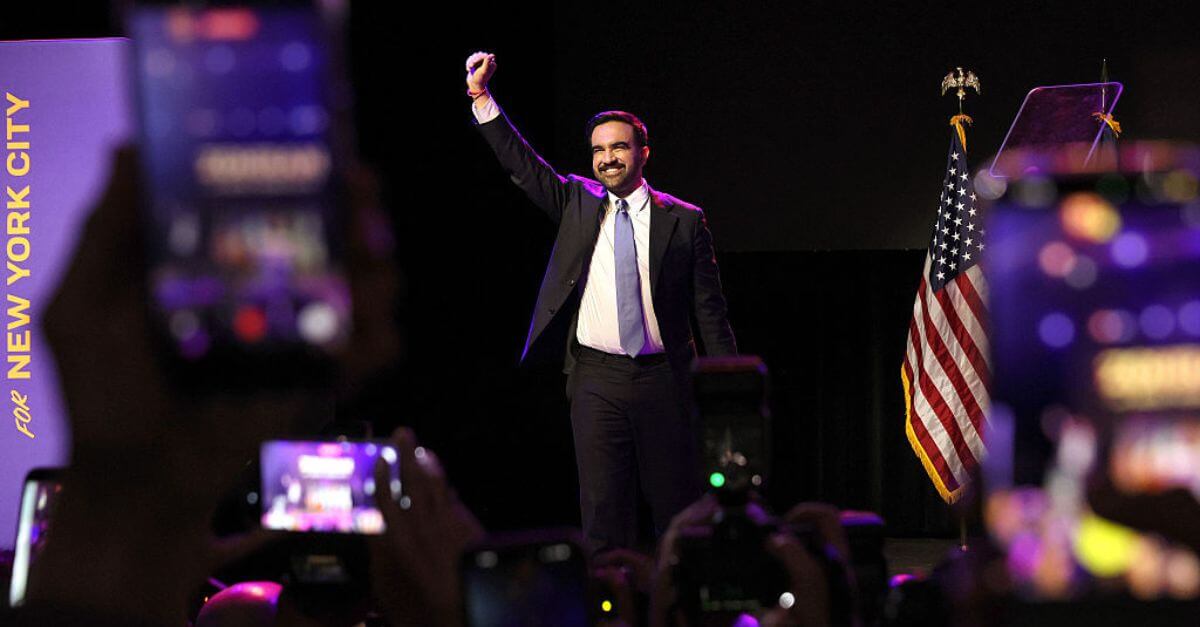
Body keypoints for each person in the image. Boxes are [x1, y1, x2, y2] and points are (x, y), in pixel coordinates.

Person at [465, 52, 738, 554]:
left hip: (664, 380)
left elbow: (710, 313)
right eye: (598, 150)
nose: (607, 158)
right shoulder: (578, 201)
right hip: (595, 379)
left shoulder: (684, 220)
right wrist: (482, 97)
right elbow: (523, 167)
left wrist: (729, 394)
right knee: (603, 511)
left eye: (618, 147)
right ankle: (609, 596)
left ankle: (673, 593)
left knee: (675, 510)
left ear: (643, 153)